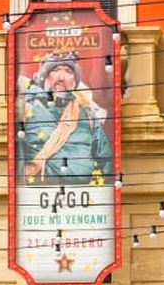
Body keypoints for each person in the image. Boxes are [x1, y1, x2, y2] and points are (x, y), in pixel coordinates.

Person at [19, 53, 110, 186]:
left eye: (68, 72)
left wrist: (100, 190)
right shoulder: (25, 110)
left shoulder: (88, 114)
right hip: (36, 193)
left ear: (74, 80)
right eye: (55, 70)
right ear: (44, 76)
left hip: (85, 195)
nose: (61, 77)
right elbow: (16, 157)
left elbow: (104, 159)